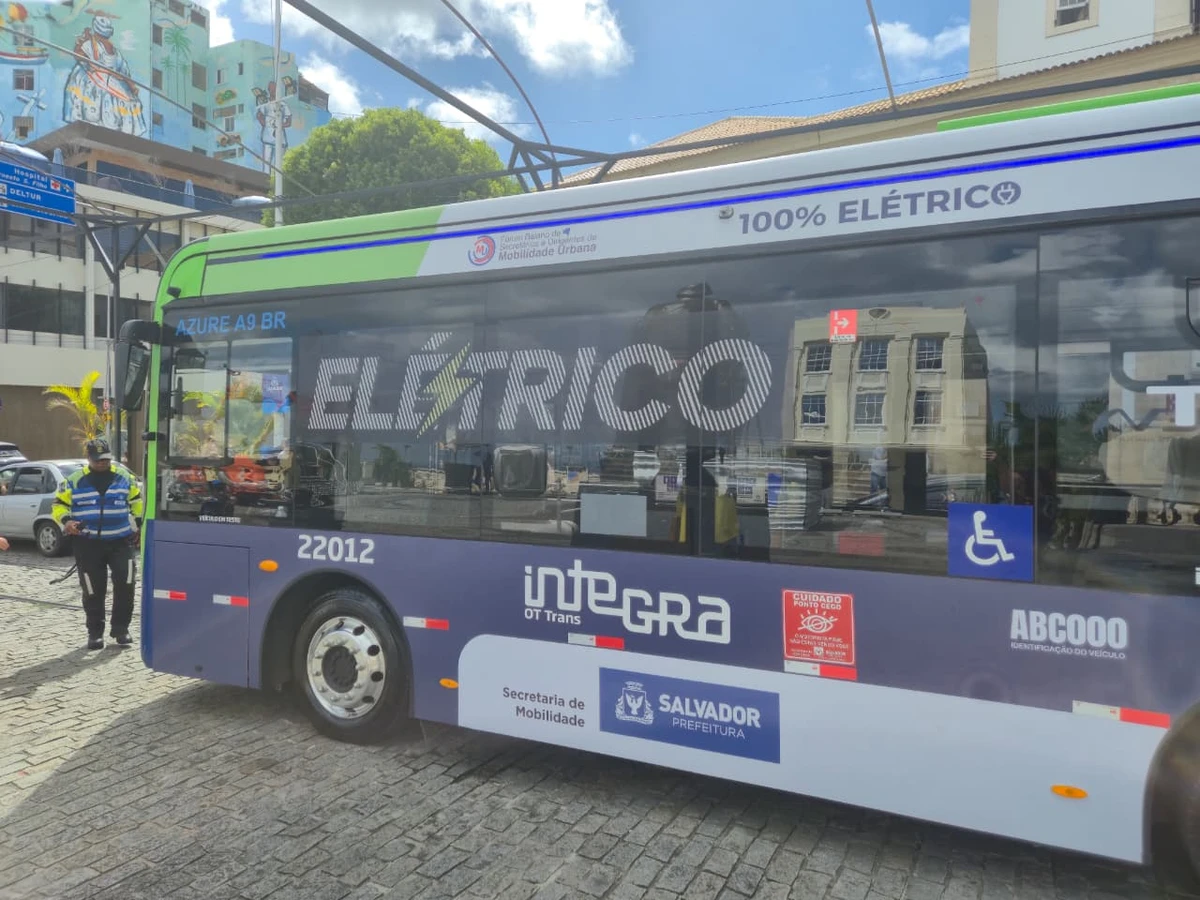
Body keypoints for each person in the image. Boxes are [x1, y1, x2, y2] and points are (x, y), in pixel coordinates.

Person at [52, 439, 144, 650]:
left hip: (121, 541)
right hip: (88, 544)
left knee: (126, 582)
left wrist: (138, 524)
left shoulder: (124, 478)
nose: (103, 463)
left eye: (106, 459)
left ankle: (121, 629)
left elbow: (137, 501)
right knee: (93, 590)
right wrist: (67, 521)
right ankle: (95, 633)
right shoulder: (74, 481)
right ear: (89, 458)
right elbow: (58, 505)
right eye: (98, 460)